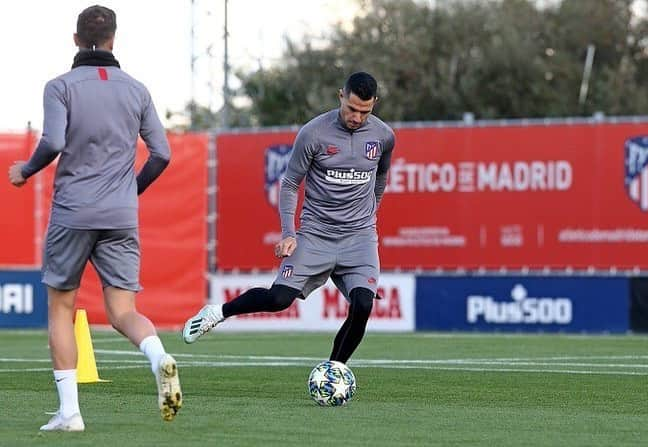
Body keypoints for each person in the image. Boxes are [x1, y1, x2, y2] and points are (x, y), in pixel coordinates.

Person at [7, 5, 181, 431]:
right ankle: (159, 356)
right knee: (123, 310)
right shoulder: (136, 89)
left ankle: (70, 413)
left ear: (75, 39)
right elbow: (163, 153)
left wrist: (26, 170)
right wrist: (130, 190)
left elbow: (54, 140)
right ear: (113, 40)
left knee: (61, 307)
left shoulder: (60, 86)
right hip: (120, 214)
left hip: (73, 211)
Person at [183, 71, 395, 365]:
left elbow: (381, 175)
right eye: (352, 109)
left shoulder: (383, 136)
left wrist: (372, 210)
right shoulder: (314, 133)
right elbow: (291, 183)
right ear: (341, 96)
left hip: (359, 237)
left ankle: (334, 371)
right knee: (278, 299)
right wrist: (288, 233)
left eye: (365, 112)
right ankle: (218, 312)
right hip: (316, 234)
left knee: (363, 304)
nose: (357, 117)